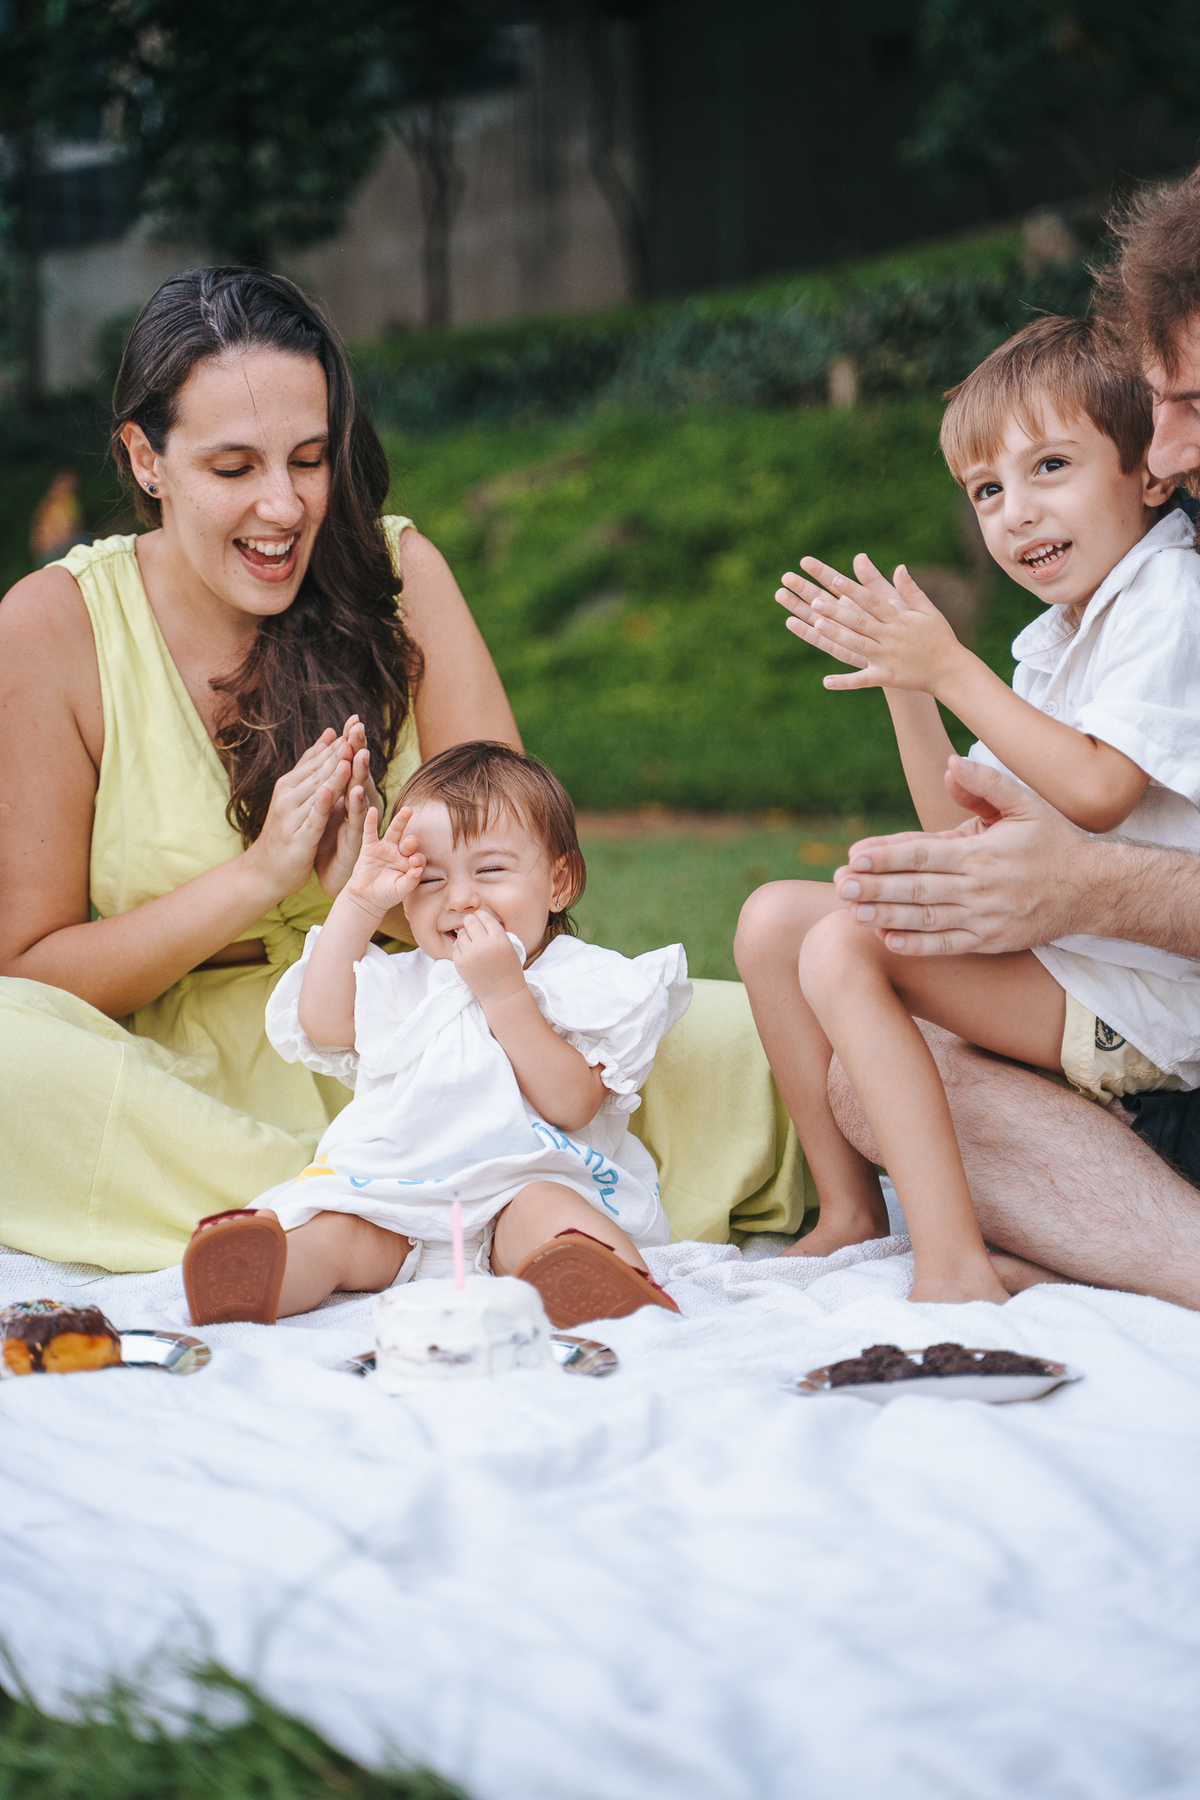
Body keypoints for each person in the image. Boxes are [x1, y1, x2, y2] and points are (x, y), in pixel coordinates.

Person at [0, 265, 805, 1276]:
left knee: (747, 1036)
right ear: (146, 459)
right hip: (182, 1081)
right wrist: (259, 878)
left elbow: (527, 878)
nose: (283, 506)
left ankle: (356, 1228)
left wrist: (365, 899)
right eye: (234, 467)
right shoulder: (51, 624)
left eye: (307, 457)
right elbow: (33, 971)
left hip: (443, 1037)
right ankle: (428, 1207)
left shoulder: (398, 573)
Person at [744, 166, 1200, 1311]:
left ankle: (949, 1263)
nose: (1020, 511)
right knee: (774, 923)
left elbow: (1096, 795)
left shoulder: (1165, 595)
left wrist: (952, 666)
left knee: (848, 946)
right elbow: (961, 830)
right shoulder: (1060, 636)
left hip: (1153, 1012)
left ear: (1142, 474)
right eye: (988, 490)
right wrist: (909, 686)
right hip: (1085, 969)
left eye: (1050, 469)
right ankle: (850, 1214)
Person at [183, 742, 688, 1327]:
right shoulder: (404, 980)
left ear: (559, 882)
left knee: (553, 1218)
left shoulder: (584, 980)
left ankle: (599, 1284)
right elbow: (321, 1022)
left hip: (524, 1187)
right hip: (395, 1200)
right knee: (336, 1230)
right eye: (432, 879)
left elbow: (573, 1105)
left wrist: (504, 993)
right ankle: (259, 1275)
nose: (460, 897)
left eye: (491, 870)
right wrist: (357, 903)